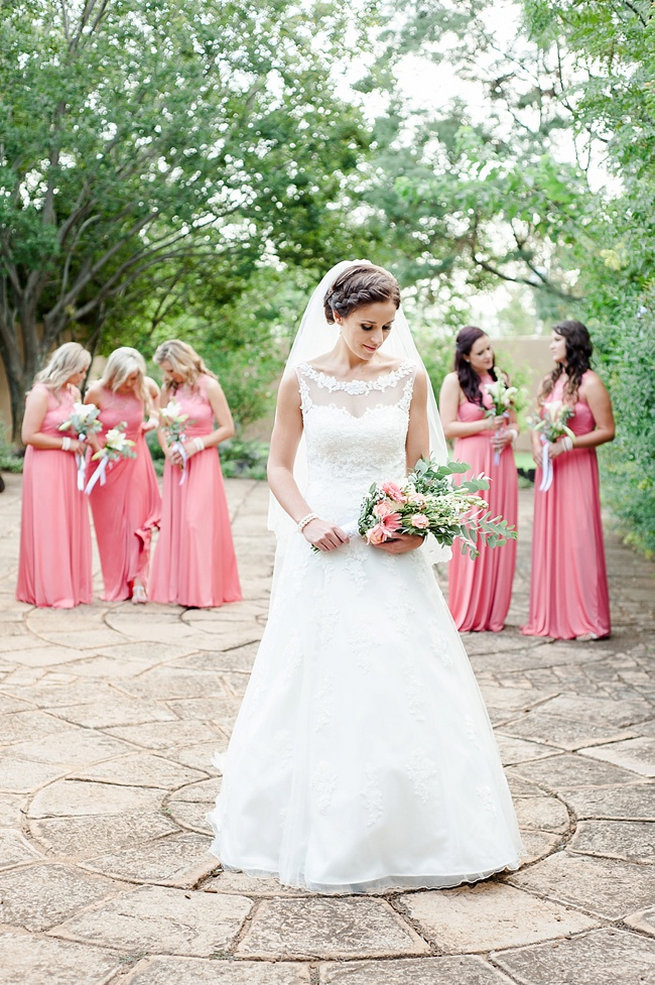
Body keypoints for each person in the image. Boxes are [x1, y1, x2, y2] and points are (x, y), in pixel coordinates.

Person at [208, 261, 522, 893]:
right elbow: (277, 466)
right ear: (336, 315)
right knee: (314, 676)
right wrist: (305, 521)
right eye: (366, 326)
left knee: (399, 673)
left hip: (390, 552)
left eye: (386, 326)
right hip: (321, 550)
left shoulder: (409, 379)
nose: (378, 338)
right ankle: (309, 824)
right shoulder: (301, 379)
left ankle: (420, 829)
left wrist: (418, 526)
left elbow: (424, 470)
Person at [522, 320, 615, 640]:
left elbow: (607, 430)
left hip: (577, 469)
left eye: (556, 340)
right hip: (551, 471)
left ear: (572, 343)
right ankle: (553, 616)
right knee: (551, 538)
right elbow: (535, 420)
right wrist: (537, 446)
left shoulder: (591, 383)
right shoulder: (549, 382)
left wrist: (570, 442)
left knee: (579, 537)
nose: (551, 345)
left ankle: (587, 617)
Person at [149, 340, 241, 608]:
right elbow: (163, 426)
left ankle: (202, 591)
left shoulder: (209, 386)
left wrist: (195, 446)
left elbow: (227, 428)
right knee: (178, 522)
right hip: (177, 462)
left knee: (196, 522)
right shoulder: (169, 389)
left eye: (170, 370)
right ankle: (179, 589)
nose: (167, 376)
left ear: (182, 363)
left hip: (203, 459)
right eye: (165, 372)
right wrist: (168, 449)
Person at [439, 327, 518, 631]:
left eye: (490, 349)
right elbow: (448, 427)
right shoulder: (454, 382)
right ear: (466, 355)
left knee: (499, 528)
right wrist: (486, 423)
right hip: (471, 463)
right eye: (481, 352)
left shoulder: (502, 379)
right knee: (471, 528)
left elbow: (515, 422)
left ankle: (494, 611)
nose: (488, 356)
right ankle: (468, 608)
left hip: (502, 461)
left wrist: (510, 433)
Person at [16, 342, 93, 607]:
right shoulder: (40, 393)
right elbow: (28, 436)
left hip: (70, 466)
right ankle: (51, 590)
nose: (83, 377)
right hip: (45, 466)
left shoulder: (73, 392)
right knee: (50, 525)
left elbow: (76, 427)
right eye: (80, 371)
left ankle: (72, 587)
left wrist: (86, 438)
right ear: (68, 367)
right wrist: (65, 444)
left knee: (69, 522)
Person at [84, 347, 162, 603]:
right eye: (127, 378)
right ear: (114, 374)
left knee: (137, 522)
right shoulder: (96, 391)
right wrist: (100, 451)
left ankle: (139, 581)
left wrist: (151, 422)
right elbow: (87, 425)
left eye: (135, 377)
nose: (131, 383)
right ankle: (115, 584)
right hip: (103, 464)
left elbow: (155, 410)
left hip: (136, 460)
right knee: (110, 527)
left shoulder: (145, 386)